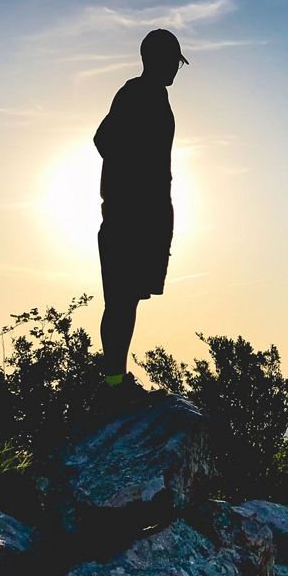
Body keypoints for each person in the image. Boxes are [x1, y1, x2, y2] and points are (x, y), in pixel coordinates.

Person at [92, 29, 188, 403]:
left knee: (127, 298)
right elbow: (104, 139)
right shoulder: (136, 93)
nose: (176, 71)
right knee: (119, 299)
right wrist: (133, 179)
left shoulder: (155, 96)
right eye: (173, 63)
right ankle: (113, 383)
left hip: (146, 216)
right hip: (127, 217)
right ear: (156, 59)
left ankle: (117, 380)